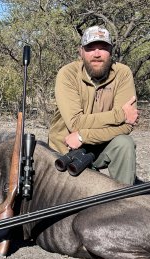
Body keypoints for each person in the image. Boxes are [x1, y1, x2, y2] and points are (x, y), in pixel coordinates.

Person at [48, 25, 139, 185]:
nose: (97, 54)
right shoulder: (67, 74)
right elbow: (75, 123)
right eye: (90, 48)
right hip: (67, 148)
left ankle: (124, 199)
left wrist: (83, 136)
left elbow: (127, 127)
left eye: (103, 47)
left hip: (97, 146)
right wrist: (120, 114)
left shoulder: (123, 73)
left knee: (125, 143)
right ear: (81, 52)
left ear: (111, 51)